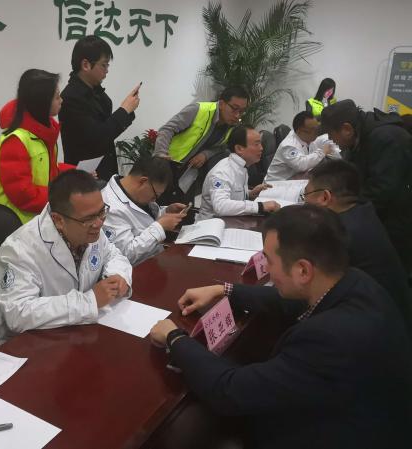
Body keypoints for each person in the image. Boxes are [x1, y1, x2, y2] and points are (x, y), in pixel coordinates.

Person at [150, 205, 412, 449]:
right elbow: (293, 301)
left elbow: (229, 391)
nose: (268, 270)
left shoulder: (329, 339)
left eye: (269, 260)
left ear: (303, 270)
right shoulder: (354, 280)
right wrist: (225, 290)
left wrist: (175, 337)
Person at [0, 170, 132, 345]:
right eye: (89, 218)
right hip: (28, 344)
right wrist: (89, 301)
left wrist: (117, 275)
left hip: (77, 332)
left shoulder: (91, 227)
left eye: (102, 212)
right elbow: (18, 314)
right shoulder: (19, 249)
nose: (99, 223)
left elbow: (113, 254)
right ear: (58, 220)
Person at [302, 159, 412, 329]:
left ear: (325, 197)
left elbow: (305, 287)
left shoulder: (340, 235)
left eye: (306, 195)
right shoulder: (362, 211)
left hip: (380, 327)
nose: (304, 202)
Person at [321, 99, 412, 272]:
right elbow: (350, 173)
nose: (331, 140)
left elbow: (382, 190)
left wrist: (341, 207)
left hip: (397, 224)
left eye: (331, 135)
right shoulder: (358, 137)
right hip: (380, 216)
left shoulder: (386, 138)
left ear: (347, 129)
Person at [0, 69, 74, 224]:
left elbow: (48, 170)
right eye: (57, 96)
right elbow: (23, 195)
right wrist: (62, 196)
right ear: (42, 102)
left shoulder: (43, 133)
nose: (61, 100)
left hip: (37, 219)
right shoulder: (15, 141)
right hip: (13, 224)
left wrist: (76, 174)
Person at [59, 35, 140, 180]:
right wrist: (124, 110)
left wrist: (127, 110)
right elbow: (98, 138)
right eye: (104, 65)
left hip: (105, 171)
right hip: (85, 178)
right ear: (86, 65)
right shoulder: (71, 97)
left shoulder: (97, 93)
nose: (107, 70)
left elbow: (107, 131)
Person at [154, 86, 249, 202]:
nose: (237, 115)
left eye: (242, 111)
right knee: (155, 204)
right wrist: (161, 155)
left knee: (182, 209)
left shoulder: (233, 126)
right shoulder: (198, 110)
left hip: (189, 174)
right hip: (169, 165)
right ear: (221, 104)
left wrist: (205, 154)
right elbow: (167, 129)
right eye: (234, 109)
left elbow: (222, 147)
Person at [101, 156, 186, 266]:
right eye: (155, 195)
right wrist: (160, 227)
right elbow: (125, 255)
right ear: (143, 181)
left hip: (156, 260)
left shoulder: (134, 194)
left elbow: (144, 220)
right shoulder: (110, 208)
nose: (154, 200)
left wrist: (165, 212)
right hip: (135, 271)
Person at [198, 125, 280, 220]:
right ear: (239, 149)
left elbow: (231, 192)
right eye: (256, 144)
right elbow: (221, 206)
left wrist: (250, 193)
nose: (261, 148)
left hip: (232, 220)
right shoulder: (222, 172)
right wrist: (260, 206)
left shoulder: (241, 166)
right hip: (212, 225)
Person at [264, 110, 338, 182]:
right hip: (276, 184)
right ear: (300, 131)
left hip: (293, 179)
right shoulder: (288, 145)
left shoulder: (308, 138)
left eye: (317, 128)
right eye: (312, 129)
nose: (316, 132)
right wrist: (323, 152)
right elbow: (301, 165)